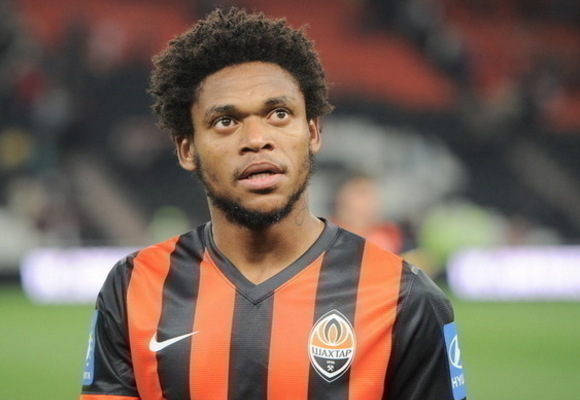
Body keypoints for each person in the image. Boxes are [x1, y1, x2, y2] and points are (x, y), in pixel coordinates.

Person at [80, 8, 467, 400]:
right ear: (186, 149)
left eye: (279, 114)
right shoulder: (134, 286)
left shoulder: (405, 297)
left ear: (313, 132)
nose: (256, 139)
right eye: (225, 121)